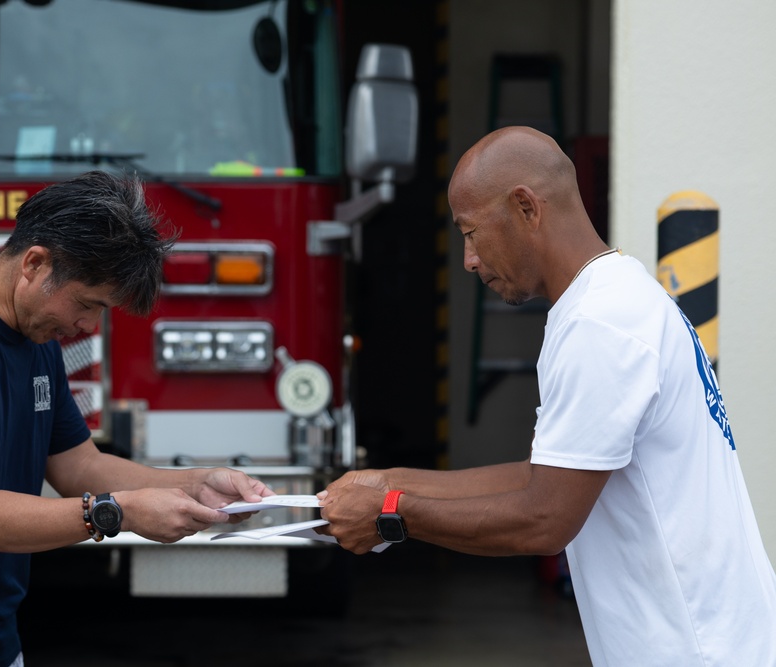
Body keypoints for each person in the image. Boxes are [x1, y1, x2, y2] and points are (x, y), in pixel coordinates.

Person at [318, 126, 776, 666]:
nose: (468, 259)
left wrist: (391, 513)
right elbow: (549, 475)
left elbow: (545, 518)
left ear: (526, 208)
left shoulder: (600, 324)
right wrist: (389, 481)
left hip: (696, 651)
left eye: (471, 233)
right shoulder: (615, 295)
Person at [0, 170, 271, 667]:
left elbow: (78, 467)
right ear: (35, 263)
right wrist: (118, 512)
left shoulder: (33, 336)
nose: (88, 326)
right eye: (87, 304)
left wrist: (197, 484)